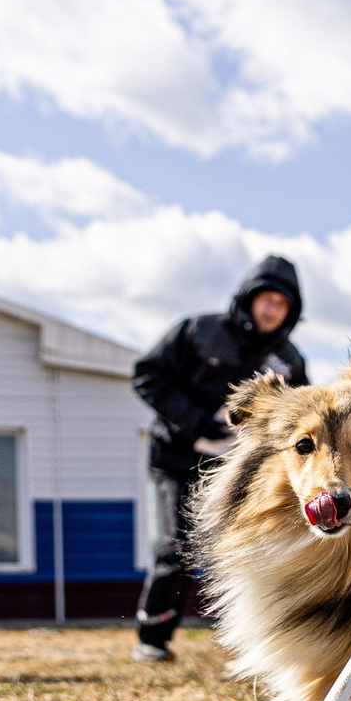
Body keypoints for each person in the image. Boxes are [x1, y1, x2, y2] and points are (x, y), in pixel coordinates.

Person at [130, 255, 309, 661]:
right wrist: (195, 422)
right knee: (179, 545)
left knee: (255, 544)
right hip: (176, 456)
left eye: (281, 304)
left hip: (237, 468)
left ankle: (252, 639)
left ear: (291, 313)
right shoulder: (199, 331)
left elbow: (303, 413)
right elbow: (146, 374)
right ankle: (152, 637)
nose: (271, 309)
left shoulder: (290, 360)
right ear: (247, 299)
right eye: (265, 299)